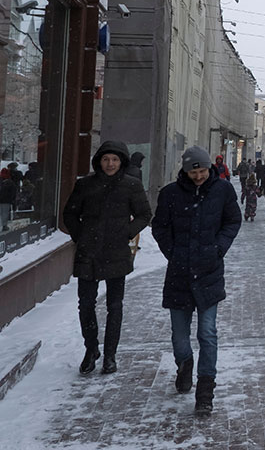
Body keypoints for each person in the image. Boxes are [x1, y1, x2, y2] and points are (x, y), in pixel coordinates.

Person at [152, 146, 241, 416]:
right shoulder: (170, 194)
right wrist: (174, 252)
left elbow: (232, 221)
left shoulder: (223, 190)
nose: (199, 176)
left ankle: (205, 391)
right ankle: (185, 364)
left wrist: (217, 249)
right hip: (179, 274)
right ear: (186, 170)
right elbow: (160, 227)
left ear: (209, 168)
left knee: (208, 333)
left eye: (202, 170)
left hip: (209, 272)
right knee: (180, 336)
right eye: (194, 171)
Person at [63, 141, 152, 375]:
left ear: (121, 161)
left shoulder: (131, 185)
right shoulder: (85, 185)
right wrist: (80, 235)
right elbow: (70, 213)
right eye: (105, 159)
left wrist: (128, 232)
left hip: (116, 253)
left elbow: (144, 214)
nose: (110, 164)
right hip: (88, 253)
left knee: (115, 306)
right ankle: (91, 348)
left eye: (114, 159)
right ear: (99, 161)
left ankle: (110, 355)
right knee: (86, 304)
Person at [126, 152, 146, 251]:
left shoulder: (127, 168)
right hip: (133, 200)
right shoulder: (137, 171)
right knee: (135, 221)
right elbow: (139, 187)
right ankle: (132, 241)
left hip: (126, 199)